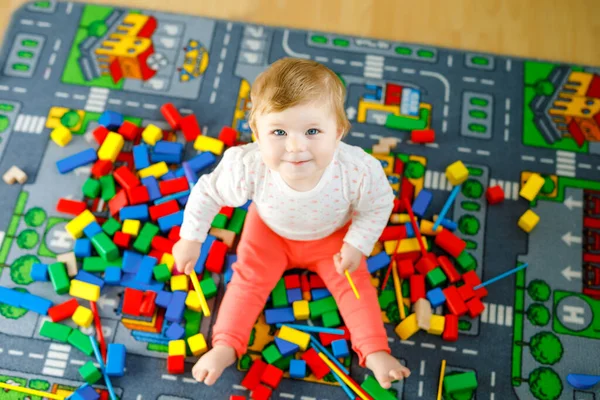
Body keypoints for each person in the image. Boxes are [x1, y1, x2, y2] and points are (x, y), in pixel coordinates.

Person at [173, 57, 411, 389]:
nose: (295, 146)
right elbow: (209, 193)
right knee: (247, 281)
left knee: (354, 286)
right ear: (256, 133)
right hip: (268, 233)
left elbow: (379, 203)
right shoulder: (248, 165)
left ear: (338, 132)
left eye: (313, 131)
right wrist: (191, 238)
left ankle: (375, 351)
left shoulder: (356, 170)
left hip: (333, 237)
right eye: (279, 132)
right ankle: (225, 345)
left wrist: (356, 243)